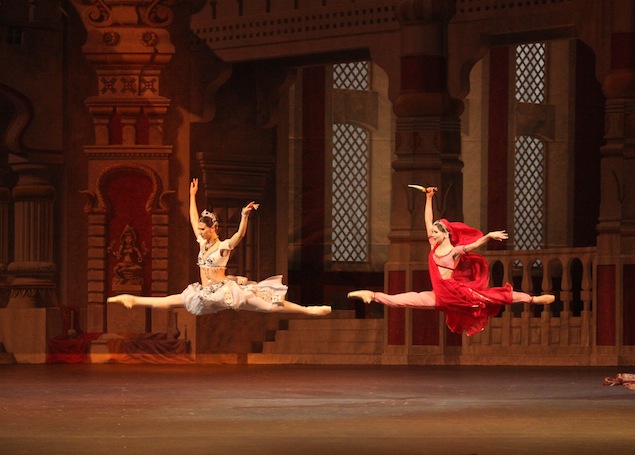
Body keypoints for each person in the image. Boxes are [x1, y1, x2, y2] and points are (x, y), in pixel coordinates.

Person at [108, 178, 332, 316]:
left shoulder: (222, 247)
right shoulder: (202, 242)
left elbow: (239, 235)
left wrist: (244, 216)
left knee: (269, 306)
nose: (200, 232)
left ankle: (307, 310)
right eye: (200, 230)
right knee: (171, 302)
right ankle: (133, 299)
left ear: (213, 228)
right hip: (204, 293)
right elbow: (193, 217)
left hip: (225, 291)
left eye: (203, 230)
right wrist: (191, 195)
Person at [348, 186, 555, 336]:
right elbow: (428, 220)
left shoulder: (453, 251)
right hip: (439, 295)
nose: (432, 234)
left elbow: (473, 246)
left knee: (496, 296)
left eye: (436, 233)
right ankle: (372, 295)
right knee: (403, 300)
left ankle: (533, 299)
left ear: (445, 234)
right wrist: (429, 198)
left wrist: (489, 236)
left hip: (457, 294)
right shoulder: (434, 245)